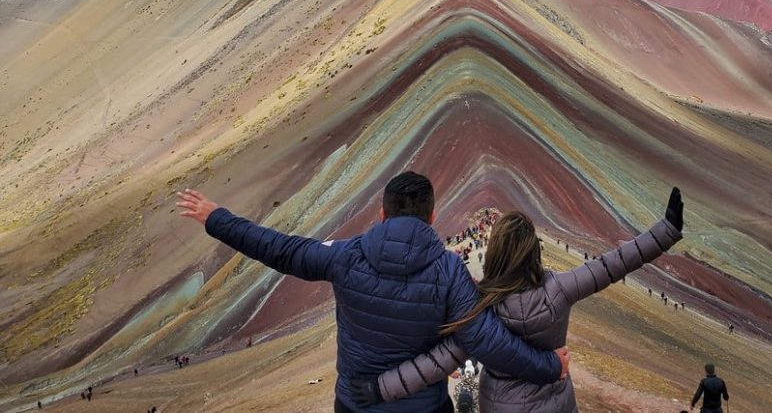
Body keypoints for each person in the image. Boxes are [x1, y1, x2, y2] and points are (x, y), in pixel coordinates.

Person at [176, 172, 567, 413]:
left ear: (382, 214)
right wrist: (551, 367)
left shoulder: (345, 256)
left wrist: (216, 218)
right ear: (432, 217)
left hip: (354, 404)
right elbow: (487, 340)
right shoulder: (449, 271)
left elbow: (280, 249)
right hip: (424, 407)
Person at [362, 188, 685, 412]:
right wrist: (667, 229)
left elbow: (439, 361)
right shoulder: (562, 288)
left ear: (495, 253)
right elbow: (613, 264)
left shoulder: (479, 304)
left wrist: (379, 388)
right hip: (556, 403)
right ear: (534, 251)